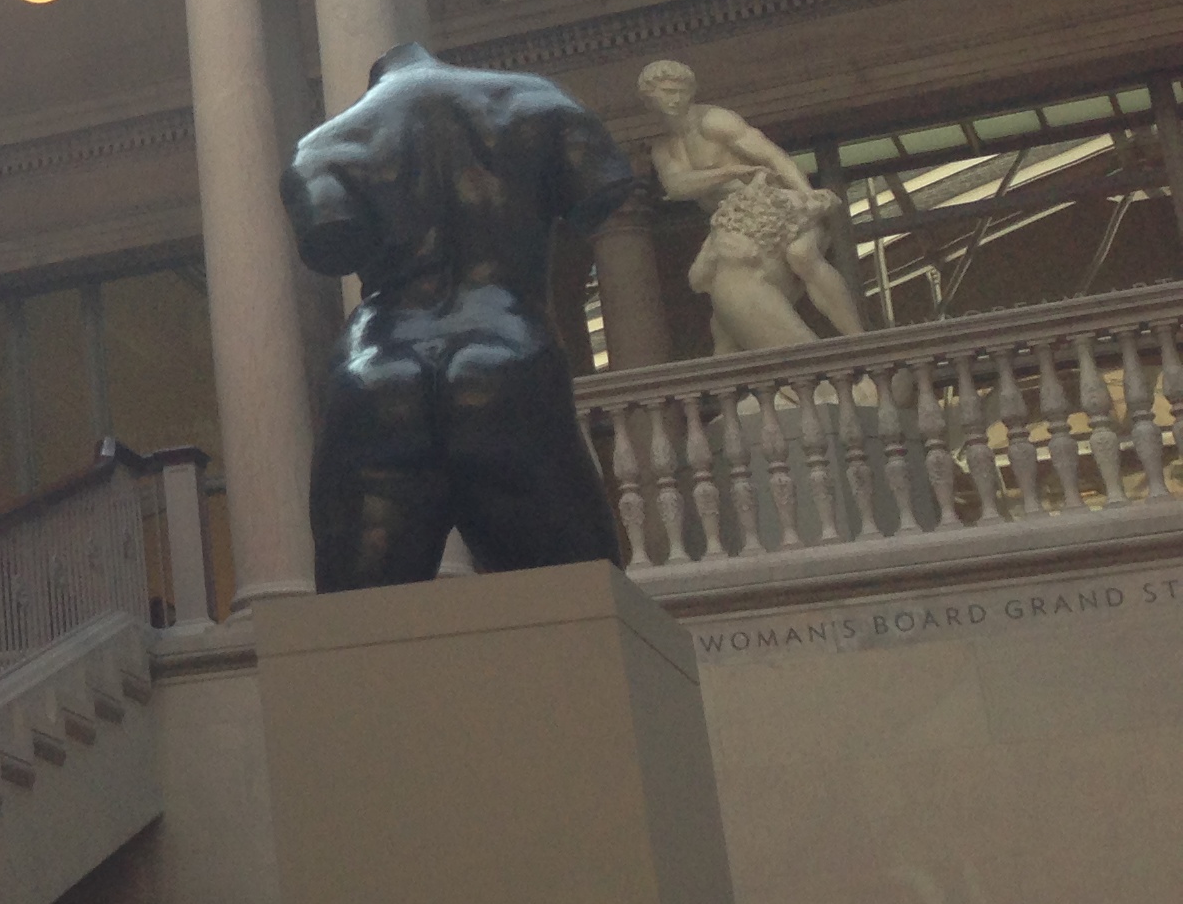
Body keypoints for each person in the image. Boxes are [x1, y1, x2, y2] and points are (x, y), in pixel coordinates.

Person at [283, 44, 638, 590]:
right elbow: (600, 193)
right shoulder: (539, 105)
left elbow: (330, 245)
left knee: (359, 626)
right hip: (506, 351)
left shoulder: (323, 147)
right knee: (582, 603)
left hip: (375, 371)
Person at [634, 57, 866, 348]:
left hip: (773, 204)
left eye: (682, 91)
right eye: (667, 92)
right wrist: (732, 171)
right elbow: (677, 187)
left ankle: (858, 338)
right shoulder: (663, 149)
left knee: (801, 254)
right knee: (722, 305)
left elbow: (772, 155)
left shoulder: (714, 121)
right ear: (649, 99)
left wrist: (805, 193)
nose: (676, 98)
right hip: (731, 221)